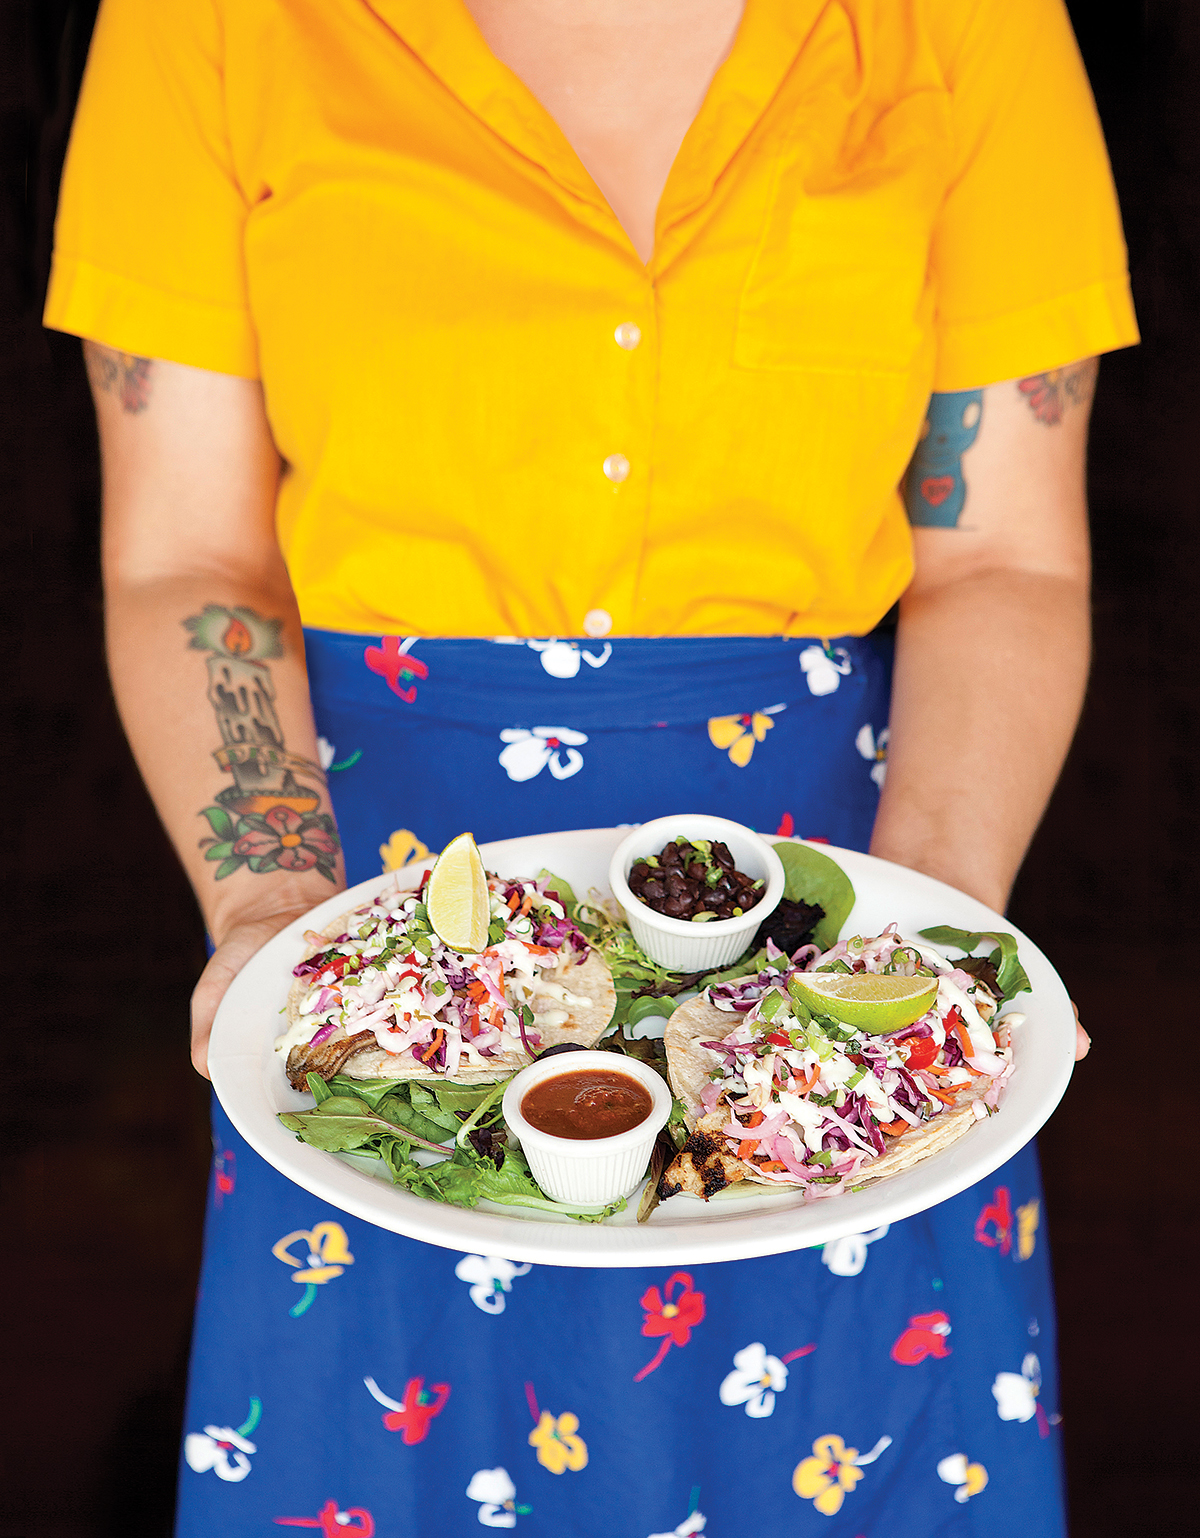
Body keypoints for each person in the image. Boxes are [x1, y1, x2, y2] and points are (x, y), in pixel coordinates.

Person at [45, 1, 1134, 1533]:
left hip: (836, 901)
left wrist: (921, 962)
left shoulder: (971, 27)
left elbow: (1006, 556)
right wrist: (273, 915)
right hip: (384, 929)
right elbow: (189, 552)